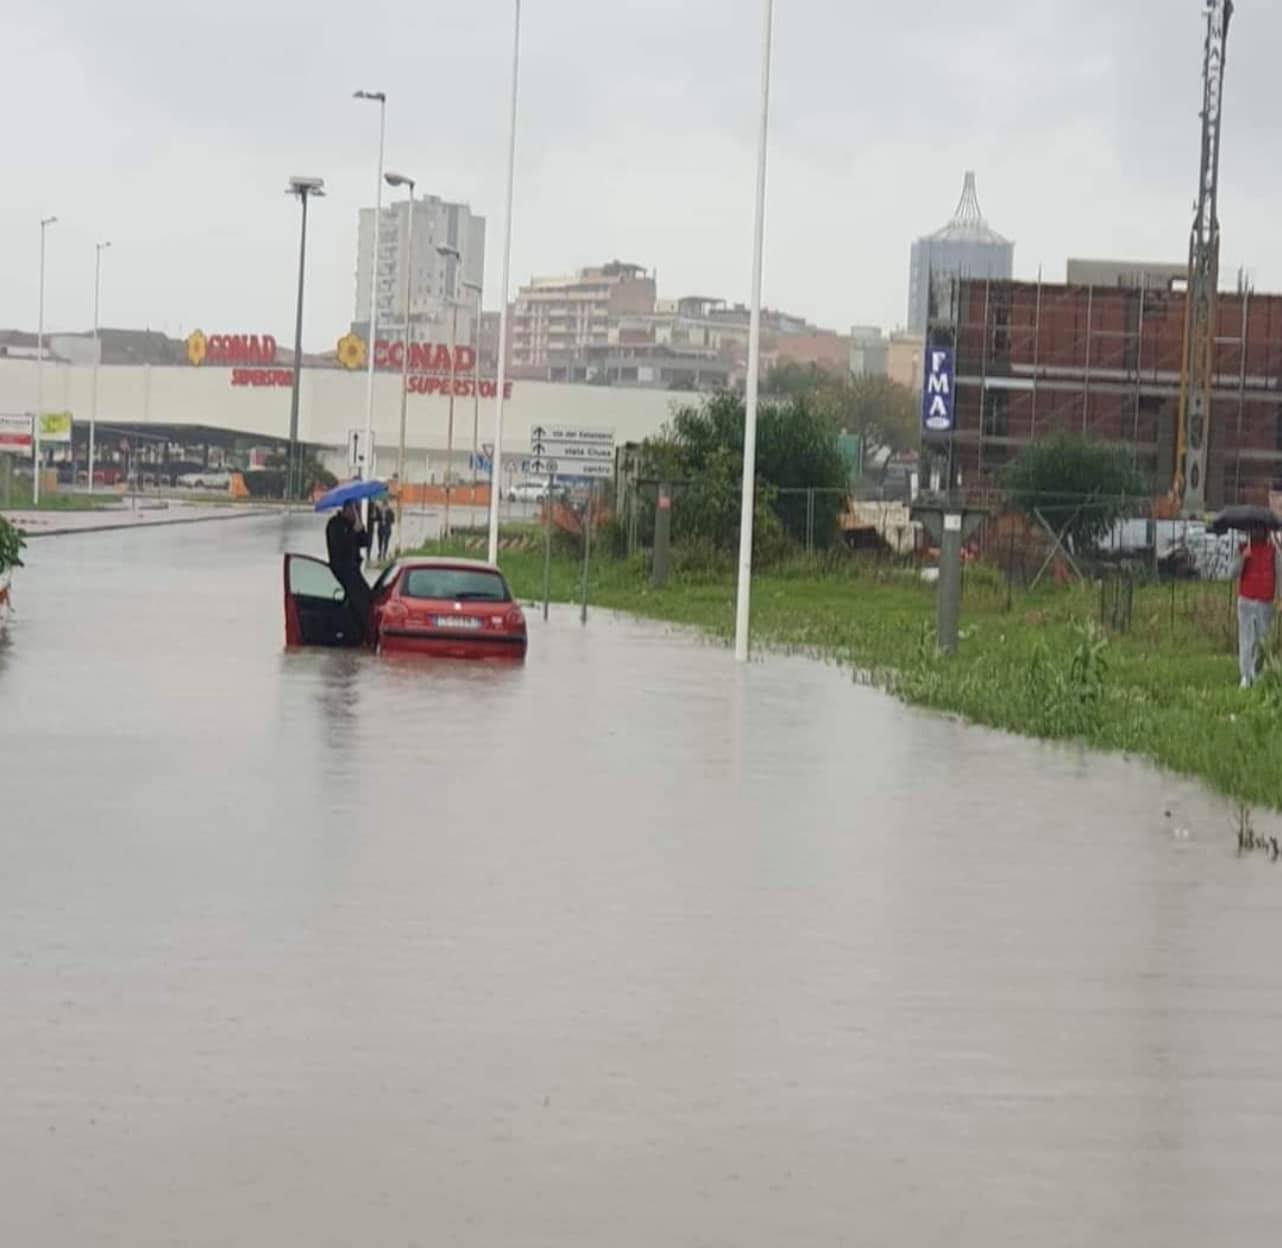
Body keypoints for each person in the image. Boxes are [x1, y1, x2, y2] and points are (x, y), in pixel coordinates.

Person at [1230, 525, 1282, 688]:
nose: (1257, 534)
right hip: (1246, 600)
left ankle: (1257, 673)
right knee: (1246, 639)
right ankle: (1245, 676)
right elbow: (1232, 573)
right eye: (1254, 531)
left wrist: (1280, 597)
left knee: (1262, 640)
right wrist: (1243, 558)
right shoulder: (1242, 548)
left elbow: (1280, 575)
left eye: (1261, 531)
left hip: (1265, 602)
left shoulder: (1273, 551)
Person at [326, 500, 372, 641]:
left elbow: (365, 542)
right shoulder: (334, 524)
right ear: (346, 509)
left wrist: (360, 528)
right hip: (341, 571)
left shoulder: (353, 525)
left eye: (358, 510)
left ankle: (362, 634)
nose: (356, 513)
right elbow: (340, 547)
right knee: (359, 602)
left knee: (367, 598)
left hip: (353, 570)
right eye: (354, 510)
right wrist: (353, 531)